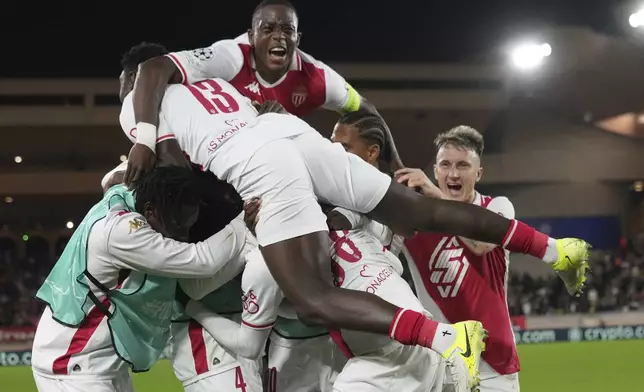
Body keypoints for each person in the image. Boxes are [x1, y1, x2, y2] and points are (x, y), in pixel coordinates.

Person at [119, 42, 590, 385]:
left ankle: (447, 339)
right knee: (423, 212)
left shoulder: (138, 100)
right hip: (289, 133)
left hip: (261, 166)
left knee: (311, 297)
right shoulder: (212, 81)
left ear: (131, 82)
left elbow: (177, 170)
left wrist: (140, 141)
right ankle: (555, 249)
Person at [124, 0, 402, 184]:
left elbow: (366, 110)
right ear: (252, 36)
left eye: (287, 30)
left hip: (268, 167)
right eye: (267, 29)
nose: (278, 36)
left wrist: (398, 169)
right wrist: (146, 141)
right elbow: (152, 69)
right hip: (203, 162)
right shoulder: (230, 56)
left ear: (297, 38)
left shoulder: (315, 76)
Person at [395, 126, 587, 391]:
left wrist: (433, 195)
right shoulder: (414, 219)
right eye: (445, 165)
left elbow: (481, 243)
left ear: (478, 173)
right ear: (435, 171)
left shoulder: (497, 207)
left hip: (493, 364)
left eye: (463, 165)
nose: (453, 173)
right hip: (440, 362)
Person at [31, 166, 255, 392]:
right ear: (150, 211)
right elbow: (201, 261)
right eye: (177, 227)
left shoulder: (126, 196)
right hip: (72, 363)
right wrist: (245, 223)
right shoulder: (122, 232)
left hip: (100, 362)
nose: (184, 238)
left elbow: (114, 179)